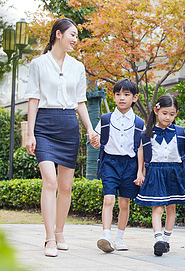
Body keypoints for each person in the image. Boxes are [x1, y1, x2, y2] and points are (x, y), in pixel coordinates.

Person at [24, 18, 98, 257]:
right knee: (50, 181)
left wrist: (90, 129)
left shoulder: (78, 67)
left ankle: (60, 232)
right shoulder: (38, 64)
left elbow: (80, 102)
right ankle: (49, 240)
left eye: (77, 36)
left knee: (65, 187)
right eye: (73, 35)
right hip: (44, 125)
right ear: (58, 34)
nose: (76, 40)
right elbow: (33, 100)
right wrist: (30, 134)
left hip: (68, 126)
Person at [134, 95, 185, 256]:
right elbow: (141, 152)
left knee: (171, 207)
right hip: (155, 171)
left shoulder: (179, 132)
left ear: (176, 113)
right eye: (165, 113)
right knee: (157, 207)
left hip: (175, 172)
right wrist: (140, 172)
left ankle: (166, 240)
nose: (168, 117)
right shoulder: (146, 133)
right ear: (157, 111)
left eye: (172, 114)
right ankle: (158, 240)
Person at [91, 78, 144, 253]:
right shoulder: (105, 119)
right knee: (109, 199)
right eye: (118, 94)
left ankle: (119, 238)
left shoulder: (139, 123)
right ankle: (105, 235)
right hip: (110, 163)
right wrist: (95, 141)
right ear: (113, 97)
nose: (122, 98)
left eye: (126, 94)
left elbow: (140, 149)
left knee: (124, 203)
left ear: (134, 98)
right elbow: (97, 141)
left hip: (130, 164)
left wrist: (140, 171)